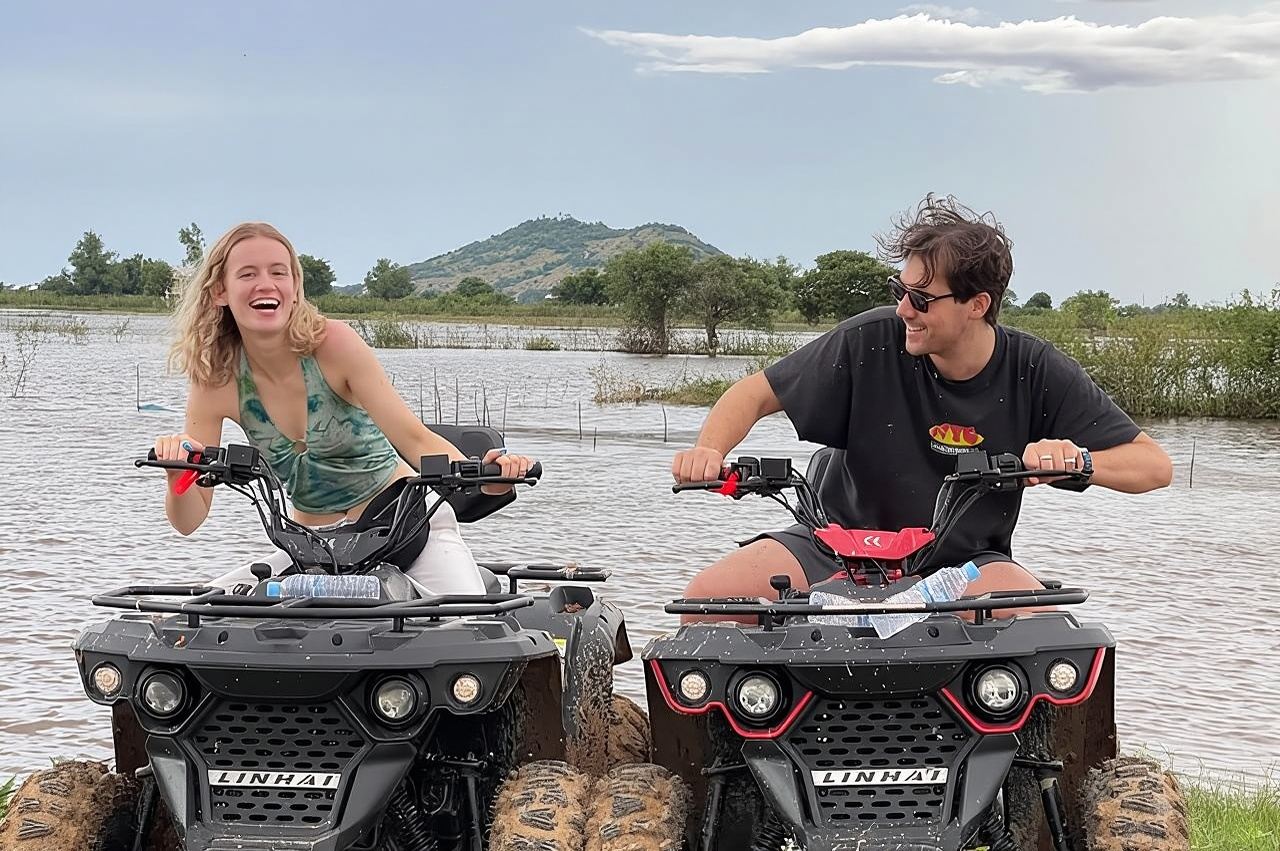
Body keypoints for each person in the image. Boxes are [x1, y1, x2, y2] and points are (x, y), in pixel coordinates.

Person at [671, 195, 1172, 622]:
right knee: (706, 603)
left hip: (965, 563)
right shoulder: (868, 340)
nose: (904, 310)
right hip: (831, 545)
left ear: (977, 304)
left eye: (922, 298)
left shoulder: (1035, 368)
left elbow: (1154, 466)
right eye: (900, 292)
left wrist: (1079, 461)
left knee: (1045, 630)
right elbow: (753, 393)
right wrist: (707, 451)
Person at [154, 221, 534, 594]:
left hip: (407, 533)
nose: (265, 284)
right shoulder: (214, 377)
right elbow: (189, 520)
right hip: (311, 548)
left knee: (464, 628)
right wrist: (177, 475)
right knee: (189, 619)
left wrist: (485, 477)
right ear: (220, 291)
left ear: (295, 287)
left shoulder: (334, 344)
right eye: (247, 274)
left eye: (278, 272)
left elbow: (415, 439)